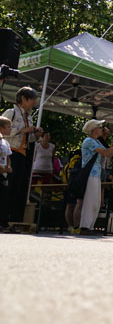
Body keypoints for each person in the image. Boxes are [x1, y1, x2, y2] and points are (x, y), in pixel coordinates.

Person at [78, 119, 113, 235]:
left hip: (95, 175)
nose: (102, 129)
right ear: (94, 129)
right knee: (90, 202)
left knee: (95, 203)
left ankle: (88, 227)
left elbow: (108, 153)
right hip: (90, 175)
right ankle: (85, 227)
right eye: (100, 127)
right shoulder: (89, 141)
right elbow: (106, 152)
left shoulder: (96, 141)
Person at [1, 87, 42, 225]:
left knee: (18, 187)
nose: (34, 102)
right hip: (10, 153)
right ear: (23, 99)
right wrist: (22, 130)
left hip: (23, 154)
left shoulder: (29, 117)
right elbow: (3, 130)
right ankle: (3, 219)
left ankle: (14, 219)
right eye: (32, 99)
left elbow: (29, 139)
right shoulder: (11, 112)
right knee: (8, 186)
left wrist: (36, 135)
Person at [0, 117, 13, 230]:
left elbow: (8, 156)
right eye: (8, 127)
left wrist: (8, 166)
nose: (11, 129)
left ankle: (3, 223)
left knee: (3, 199)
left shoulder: (5, 142)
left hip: (3, 174)